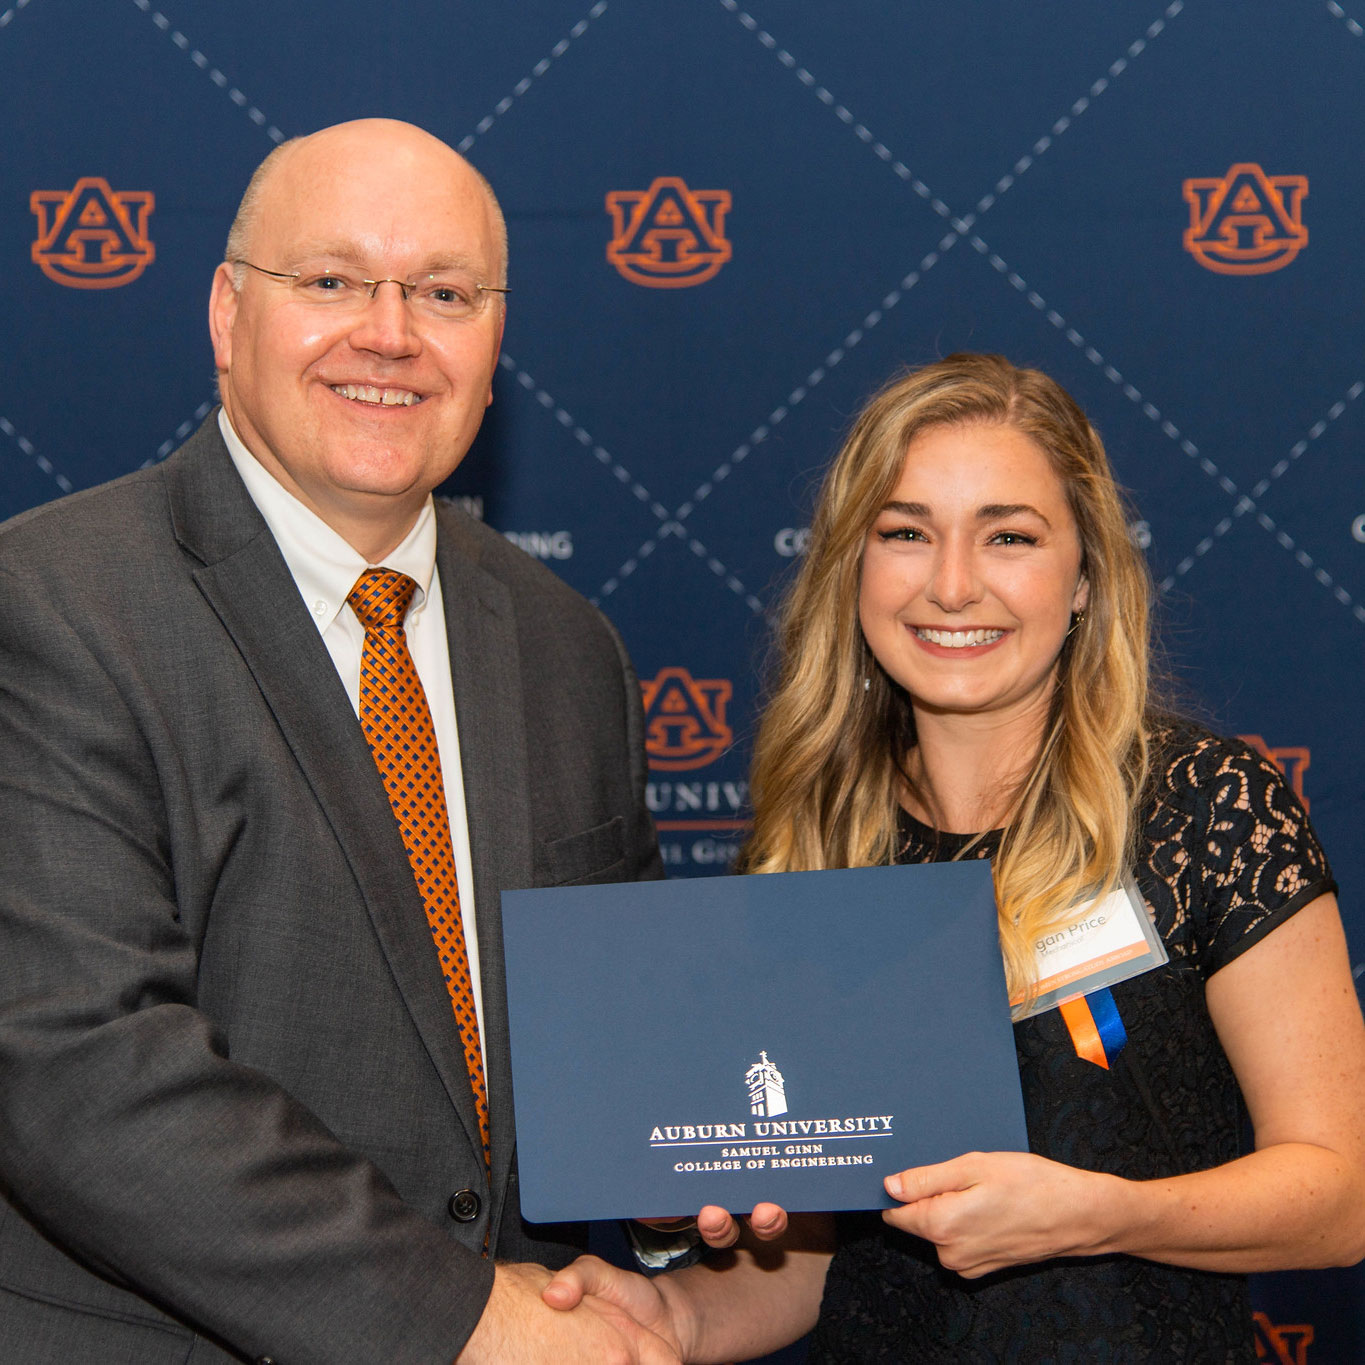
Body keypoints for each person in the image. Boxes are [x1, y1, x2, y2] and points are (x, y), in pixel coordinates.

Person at [0, 120, 676, 1364]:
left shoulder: (566, 645)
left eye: (445, 293)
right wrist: (460, 1316)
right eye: (330, 281)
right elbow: (75, 1065)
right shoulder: (47, 605)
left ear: (494, 342)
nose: (390, 333)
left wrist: (696, 1187)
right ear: (226, 311)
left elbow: (616, 1040)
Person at [541, 353, 1365, 1361]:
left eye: (1009, 536)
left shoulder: (1205, 806)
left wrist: (1096, 1213)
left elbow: (1339, 1195)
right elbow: (824, 1255)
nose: (953, 584)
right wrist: (669, 1314)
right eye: (905, 534)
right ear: (852, 567)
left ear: (1086, 579)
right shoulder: (817, 842)